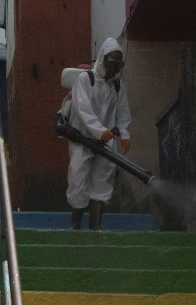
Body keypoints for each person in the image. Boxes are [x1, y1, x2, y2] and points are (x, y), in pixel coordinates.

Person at [66, 37, 132, 230]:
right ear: (102, 59)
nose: (115, 68)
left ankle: (95, 228)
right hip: (82, 138)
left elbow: (122, 113)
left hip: (106, 141)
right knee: (78, 180)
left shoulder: (118, 86)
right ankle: (75, 225)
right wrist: (99, 131)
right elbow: (83, 109)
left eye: (118, 64)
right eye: (112, 63)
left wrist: (124, 135)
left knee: (102, 183)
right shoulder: (86, 80)